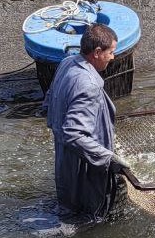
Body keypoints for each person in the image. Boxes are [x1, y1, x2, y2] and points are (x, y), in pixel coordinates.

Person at [44, 23, 130, 218]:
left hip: (64, 162)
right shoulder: (89, 85)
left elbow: (48, 100)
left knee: (69, 209)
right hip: (84, 170)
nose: (113, 57)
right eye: (111, 52)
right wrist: (107, 158)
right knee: (91, 219)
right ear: (97, 52)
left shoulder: (67, 62)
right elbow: (74, 135)